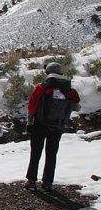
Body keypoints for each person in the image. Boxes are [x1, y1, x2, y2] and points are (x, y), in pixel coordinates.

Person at [24, 62, 81, 192]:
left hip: (40, 124)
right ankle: (48, 183)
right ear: (61, 73)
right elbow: (77, 106)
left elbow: (32, 106)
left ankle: (32, 181)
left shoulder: (41, 87)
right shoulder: (70, 90)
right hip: (58, 126)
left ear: (47, 73)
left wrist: (29, 122)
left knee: (36, 153)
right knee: (52, 154)